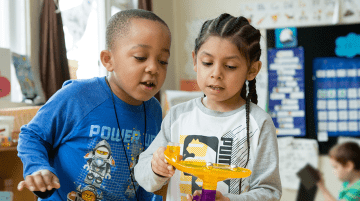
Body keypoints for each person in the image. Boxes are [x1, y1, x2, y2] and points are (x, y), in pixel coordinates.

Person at [16, 9, 171, 201]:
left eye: (163, 61)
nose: (154, 68)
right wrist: (38, 167)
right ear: (108, 60)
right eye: (140, 57)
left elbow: (141, 177)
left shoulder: (154, 110)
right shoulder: (77, 96)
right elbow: (32, 135)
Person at [134, 13, 281, 201]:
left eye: (230, 66)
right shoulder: (178, 115)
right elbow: (142, 174)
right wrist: (156, 167)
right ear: (195, 61)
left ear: (252, 70)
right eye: (207, 63)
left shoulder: (259, 123)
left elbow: (270, 192)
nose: (216, 73)